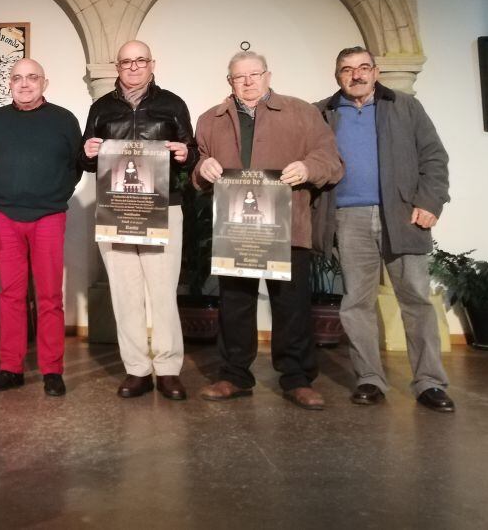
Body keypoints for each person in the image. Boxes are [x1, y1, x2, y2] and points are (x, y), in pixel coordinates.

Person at [193, 50, 343, 410]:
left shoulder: (302, 112)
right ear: (229, 81)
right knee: (235, 305)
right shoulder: (210, 120)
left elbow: (331, 161)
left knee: (291, 305)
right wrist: (204, 168)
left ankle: (297, 379)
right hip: (236, 230)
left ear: (268, 75)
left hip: (287, 226)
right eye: (239, 76)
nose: (248, 81)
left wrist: (308, 169)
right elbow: (197, 169)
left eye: (254, 74)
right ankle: (233, 376)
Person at [315, 46, 454, 412]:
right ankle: (369, 378)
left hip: (403, 216)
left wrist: (430, 202)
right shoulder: (322, 112)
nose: (356, 75)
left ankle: (429, 382)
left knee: (416, 301)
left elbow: (434, 157)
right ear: (337, 75)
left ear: (375, 72)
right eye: (347, 69)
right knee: (355, 303)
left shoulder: (405, 106)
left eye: (363, 68)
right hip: (348, 218)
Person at [81, 40, 197, 401]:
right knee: (124, 292)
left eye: (140, 61)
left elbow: (191, 152)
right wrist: (86, 152)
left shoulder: (172, 104)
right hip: (115, 209)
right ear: (117, 67)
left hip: (162, 208)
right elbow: (86, 160)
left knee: (162, 292)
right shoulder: (101, 107)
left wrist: (184, 153)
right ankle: (136, 369)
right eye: (126, 62)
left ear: (152, 64)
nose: (133, 67)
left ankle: (167, 369)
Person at [0, 59, 82, 397]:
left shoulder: (64, 119)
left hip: (49, 215)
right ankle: (11, 368)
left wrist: (55, 194)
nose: (25, 84)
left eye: (32, 78)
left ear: (45, 82)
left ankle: (52, 370)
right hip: (5, 215)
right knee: (10, 295)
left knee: (50, 296)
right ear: (9, 83)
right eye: (18, 78)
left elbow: (77, 164)